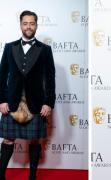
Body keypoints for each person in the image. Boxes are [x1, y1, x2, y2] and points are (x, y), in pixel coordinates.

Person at [0, 10, 56, 180]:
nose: (28, 26)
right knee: (9, 139)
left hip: (36, 103)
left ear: (36, 25)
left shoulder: (45, 50)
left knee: (35, 140)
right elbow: (2, 76)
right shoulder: (10, 47)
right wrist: (2, 100)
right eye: (25, 23)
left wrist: (48, 103)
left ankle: (32, 176)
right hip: (12, 102)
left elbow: (50, 78)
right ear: (20, 25)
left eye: (32, 23)